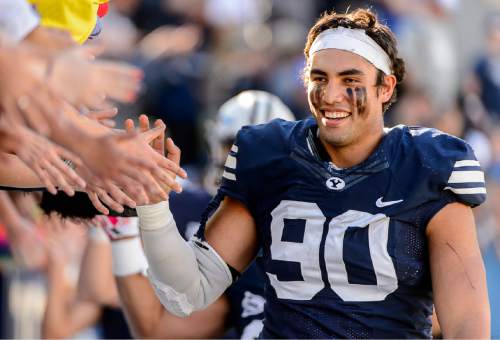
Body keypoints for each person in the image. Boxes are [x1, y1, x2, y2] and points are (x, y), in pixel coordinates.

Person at [135, 8, 490, 338]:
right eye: (319, 78)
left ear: (386, 88)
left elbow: (466, 324)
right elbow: (187, 293)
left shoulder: (427, 165)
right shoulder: (271, 157)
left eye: (350, 80)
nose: (331, 95)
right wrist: (153, 206)